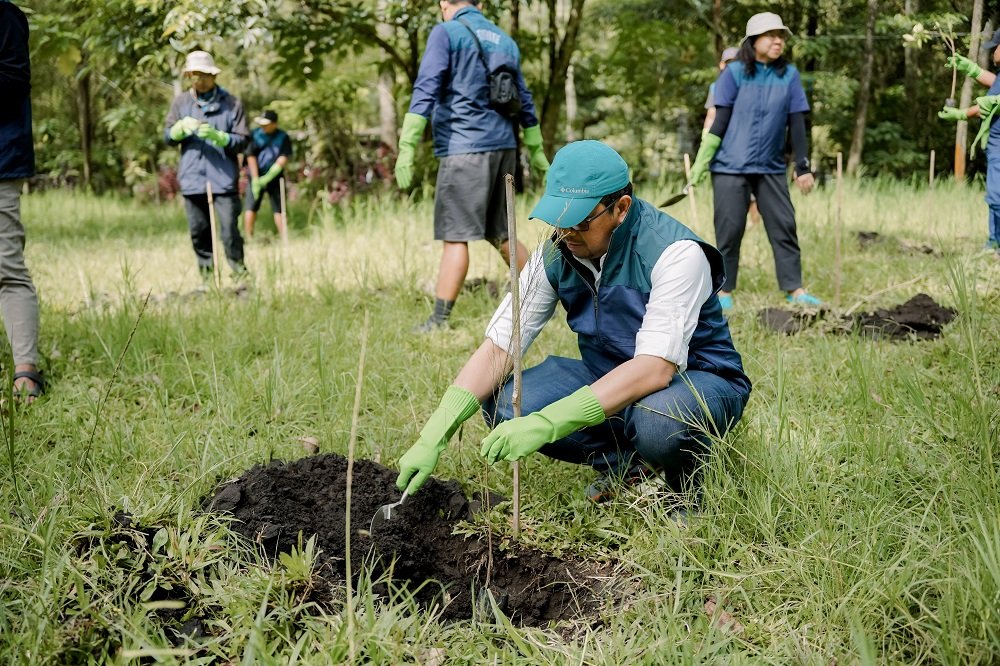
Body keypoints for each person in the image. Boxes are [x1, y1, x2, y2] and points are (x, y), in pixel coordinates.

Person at [394, 141, 752, 504]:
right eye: (558, 219)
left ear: (621, 209)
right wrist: (435, 433)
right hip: (610, 375)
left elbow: (655, 370)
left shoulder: (675, 253)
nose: (566, 232)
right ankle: (632, 466)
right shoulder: (555, 253)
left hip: (694, 381)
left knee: (659, 421)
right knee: (506, 402)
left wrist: (548, 423)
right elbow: (502, 346)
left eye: (580, 221)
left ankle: (684, 487)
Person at [394, 0, 550, 332]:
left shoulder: (447, 32)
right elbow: (523, 95)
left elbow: (426, 88)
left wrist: (406, 146)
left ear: (444, 4)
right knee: (502, 233)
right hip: (505, 147)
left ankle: (439, 320)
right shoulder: (503, 39)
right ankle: (543, 297)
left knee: (456, 237)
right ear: (479, 3)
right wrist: (536, 149)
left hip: (464, 150)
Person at [688, 12, 820, 312]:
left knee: (784, 224)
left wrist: (802, 166)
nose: (778, 40)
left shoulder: (789, 75)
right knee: (730, 229)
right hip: (730, 166)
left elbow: (797, 122)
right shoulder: (733, 74)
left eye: (781, 35)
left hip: (770, 167)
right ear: (753, 40)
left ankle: (794, 289)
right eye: (771, 35)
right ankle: (723, 291)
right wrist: (700, 163)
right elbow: (719, 122)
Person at [164, 51, 249, 280]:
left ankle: (239, 275)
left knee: (230, 231)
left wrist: (221, 137)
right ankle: (208, 278)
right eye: (194, 75)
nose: (199, 80)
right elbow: (168, 136)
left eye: (203, 75)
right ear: (188, 76)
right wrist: (178, 130)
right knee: (199, 232)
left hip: (223, 178)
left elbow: (243, 141)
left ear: (213, 76)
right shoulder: (181, 102)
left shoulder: (232, 104)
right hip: (193, 178)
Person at [0, 1, 43, 402]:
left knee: (6, 266)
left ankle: (25, 369)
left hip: (1, 161)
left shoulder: (6, 17)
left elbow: (13, 80)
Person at [939, 30, 1000, 254]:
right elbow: (995, 83)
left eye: (997, 47)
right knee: (995, 197)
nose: (994, 52)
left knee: (997, 196)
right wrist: (971, 69)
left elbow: (993, 101)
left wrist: (962, 114)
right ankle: (994, 241)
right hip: (995, 144)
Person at [703, 46, 761, 228]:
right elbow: (712, 114)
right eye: (728, 63)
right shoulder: (716, 86)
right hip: (724, 146)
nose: (732, 66)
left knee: (752, 193)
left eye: (736, 63)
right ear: (722, 65)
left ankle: (755, 226)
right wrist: (706, 137)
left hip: (747, 145)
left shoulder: (751, 84)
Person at [243, 109, 292, 239]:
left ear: (274, 124)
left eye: (266, 124)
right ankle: (249, 238)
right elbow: (250, 155)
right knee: (251, 207)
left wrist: (269, 176)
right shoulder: (255, 135)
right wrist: (255, 179)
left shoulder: (283, 137)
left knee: (279, 209)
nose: (263, 126)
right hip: (255, 176)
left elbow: (284, 157)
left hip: (275, 177)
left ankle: (284, 238)